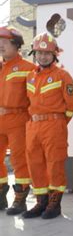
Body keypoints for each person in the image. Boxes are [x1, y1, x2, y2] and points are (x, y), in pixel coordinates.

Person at [23, 32, 73, 219]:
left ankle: (54, 204)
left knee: (54, 164)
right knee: (35, 164)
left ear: (54, 55)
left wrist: (59, 122)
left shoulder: (62, 75)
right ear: (34, 54)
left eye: (47, 53)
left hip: (54, 125)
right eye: (39, 53)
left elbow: (71, 105)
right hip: (33, 126)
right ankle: (41, 201)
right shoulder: (30, 76)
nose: (43, 56)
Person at [0, 27, 36, 215]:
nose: (1, 45)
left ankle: (20, 199)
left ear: (16, 45)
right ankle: (0, 196)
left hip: (18, 119)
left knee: (19, 160)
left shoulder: (28, 69)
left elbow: (36, 98)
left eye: (4, 42)